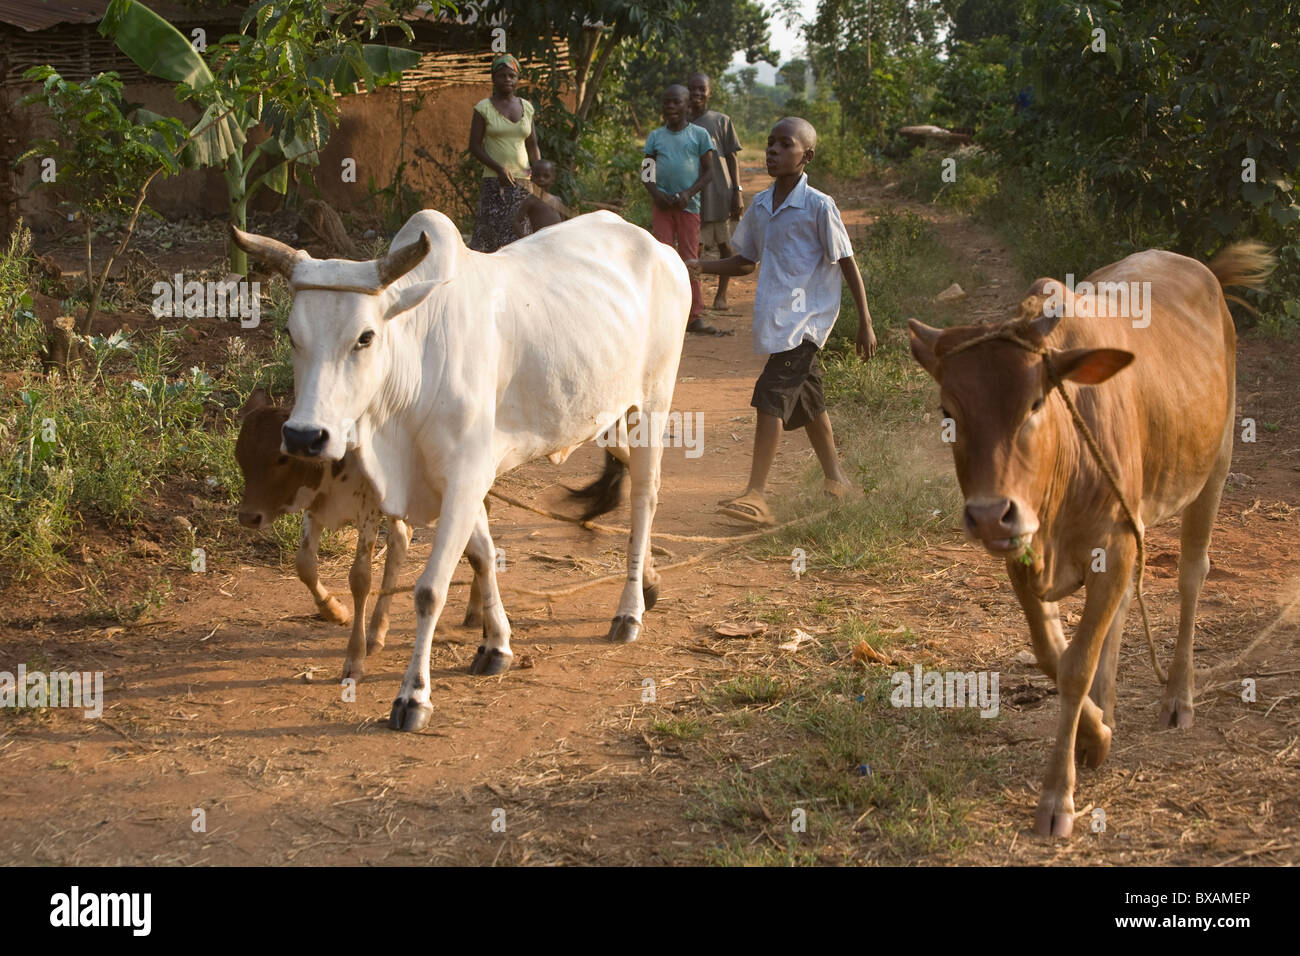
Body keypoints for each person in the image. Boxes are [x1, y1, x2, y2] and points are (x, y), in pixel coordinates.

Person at [688, 117, 877, 525]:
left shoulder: (819, 205)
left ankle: (757, 494)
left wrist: (865, 320)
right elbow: (744, 261)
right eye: (770, 143)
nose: (773, 151)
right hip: (778, 320)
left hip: (807, 322)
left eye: (783, 144)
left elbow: (847, 263)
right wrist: (700, 263)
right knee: (809, 403)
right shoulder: (760, 205)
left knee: (771, 396)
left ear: (805, 156)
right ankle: (837, 481)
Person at [643, 84, 721, 335]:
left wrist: (688, 193)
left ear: (687, 106)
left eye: (676, 102)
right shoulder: (655, 136)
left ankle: (693, 314)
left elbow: (709, 172)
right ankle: (664, 313)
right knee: (662, 256)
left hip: (689, 207)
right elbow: (647, 174)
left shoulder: (699, 135)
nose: (671, 107)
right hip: (662, 206)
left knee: (689, 258)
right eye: (667, 102)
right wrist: (658, 195)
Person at [468, 53, 540, 252]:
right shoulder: (484, 108)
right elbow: (474, 146)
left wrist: (538, 170)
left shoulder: (527, 107)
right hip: (495, 181)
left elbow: (532, 144)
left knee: (521, 237)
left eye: (511, 76)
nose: (507, 80)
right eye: (502, 76)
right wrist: (498, 168)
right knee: (490, 237)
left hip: (523, 181)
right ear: (493, 78)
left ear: (517, 79)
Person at [686, 72, 743, 313]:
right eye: (693, 89)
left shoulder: (721, 121)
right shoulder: (680, 122)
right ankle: (693, 299)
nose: (697, 93)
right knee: (694, 248)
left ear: (710, 92)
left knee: (724, 247)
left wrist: (736, 191)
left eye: (702, 89)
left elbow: (732, 158)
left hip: (719, 192)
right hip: (693, 195)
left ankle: (721, 295)